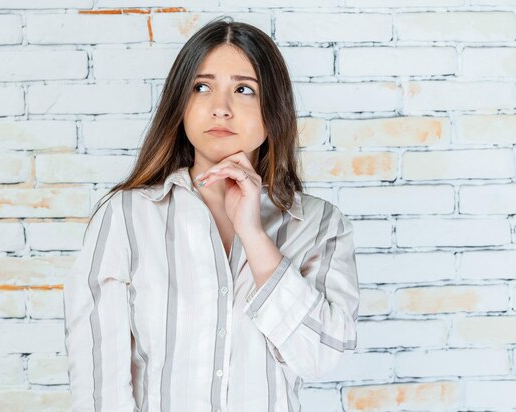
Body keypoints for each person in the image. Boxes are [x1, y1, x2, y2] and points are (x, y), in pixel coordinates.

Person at [63, 15, 360, 412]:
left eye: (243, 89)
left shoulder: (321, 226)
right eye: (202, 87)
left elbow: (323, 356)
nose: (220, 108)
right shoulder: (126, 218)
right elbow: (99, 388)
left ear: (274, 108)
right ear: (180, 105)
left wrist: (253, 235)